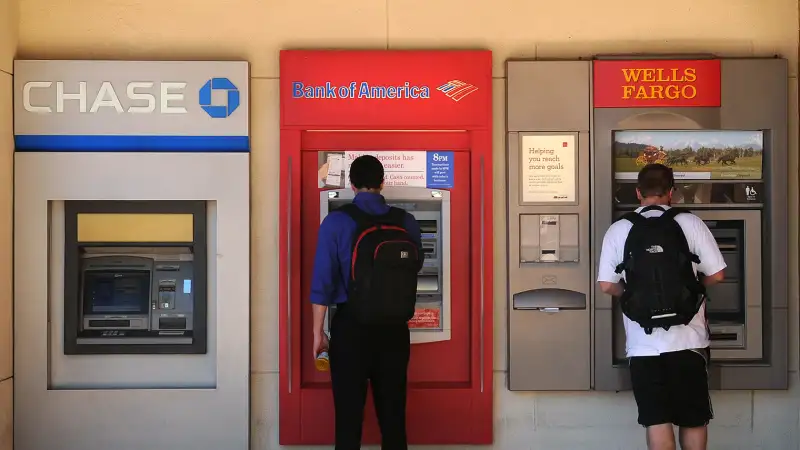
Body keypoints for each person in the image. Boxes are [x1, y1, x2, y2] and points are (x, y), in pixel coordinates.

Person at [597, 164, 726, 450]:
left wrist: (631, 296)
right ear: (672, 193)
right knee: (693, 419)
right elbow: (717, 275)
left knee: (657, 420)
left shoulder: (620, 229)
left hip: (643, 344)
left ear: (638, 192)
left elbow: (607, 285)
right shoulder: (690, 223)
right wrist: (695, 288)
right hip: (688, 341)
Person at [310, 154, 423, 450]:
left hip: (352, 329)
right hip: (395, 331)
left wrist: (318, 333)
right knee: (394, 419)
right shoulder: (407, 222)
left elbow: (323, 283)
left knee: (348, 420)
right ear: (383, 183)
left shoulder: (336, 222)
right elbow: (416, 267)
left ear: (351, 185)